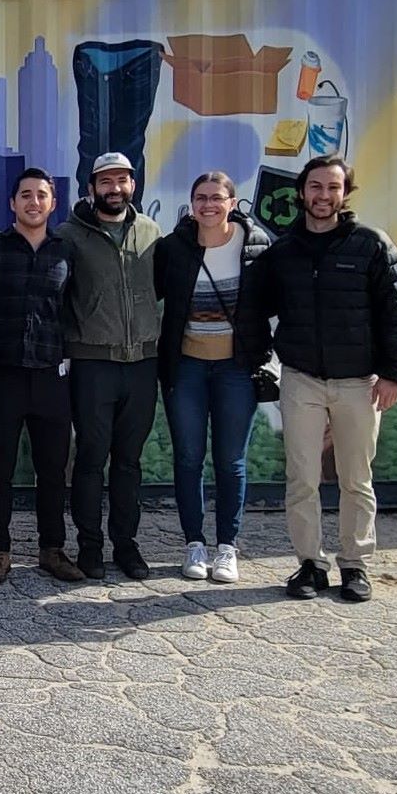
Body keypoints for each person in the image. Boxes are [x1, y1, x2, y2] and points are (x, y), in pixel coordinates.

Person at [252, 154, 397, 603]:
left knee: (354, 477)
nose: (323, 196)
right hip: (301, 379)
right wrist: (257, 359)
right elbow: (255, 309)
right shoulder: (283, 251)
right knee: (302, 477)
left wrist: (395, 372)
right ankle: (310, 564)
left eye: (333, 188)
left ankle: (355, 565)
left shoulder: (371, 245)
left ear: (345, 193)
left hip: (360, 382)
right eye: (316, 187)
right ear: (302, 192)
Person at [0, 168, 84, 584]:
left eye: (42, 195)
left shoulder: (67, 252)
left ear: (53, 204)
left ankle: (52, 549)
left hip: (53, 374)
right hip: (3, 375)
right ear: (12, 203)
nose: (34, 202)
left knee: (52, 470)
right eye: (25, 195)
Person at [155, 171, 272, 584]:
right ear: (191, 203)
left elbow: (274, 301)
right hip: (185, 365)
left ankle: (227, 548)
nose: (209, 204)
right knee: (188, 458)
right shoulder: (173, 248)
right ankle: (194, 544)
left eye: (217, 197)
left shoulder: (254, 246)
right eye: (201, 197)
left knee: (230, 460)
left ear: (231, 202)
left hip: (236, 368)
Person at [57, 152, 162, 582]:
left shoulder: (151, 232)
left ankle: (127, 545)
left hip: (141, 364)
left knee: (129, 461)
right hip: (92, 365)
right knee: (90, 458)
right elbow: (58, 297)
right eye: (106, 181)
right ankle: (90, 546)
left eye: (122, 180)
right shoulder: (69, 235)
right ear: (91, 187)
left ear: (132, 185)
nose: (114, 188)